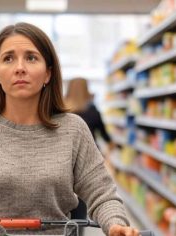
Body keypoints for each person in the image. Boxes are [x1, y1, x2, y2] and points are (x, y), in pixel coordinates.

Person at [0, 22, 139, 236]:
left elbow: (103, 195)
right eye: (8, 58)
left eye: (31, 58)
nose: (20, 68)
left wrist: (116, 224)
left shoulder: (73, 129)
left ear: (48, 73)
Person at [64, 78, 116, 221]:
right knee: (81, 201)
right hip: (87, 161)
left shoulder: (60, 111)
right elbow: (105, 136)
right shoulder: (93, 111)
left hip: (63, 161)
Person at [64, 78, 115, 152]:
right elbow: (103, 132)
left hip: (68, 153)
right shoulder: (92, 110)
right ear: (86, 89)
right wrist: (110, 144)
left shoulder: (62, 111)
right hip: (90, 152)